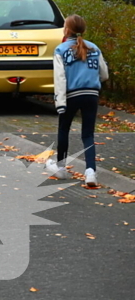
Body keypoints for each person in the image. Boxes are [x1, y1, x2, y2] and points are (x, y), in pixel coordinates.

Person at [46, 15, 109, 187]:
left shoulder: (60, 50)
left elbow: (60, 78)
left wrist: (60, 102)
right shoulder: (94, 48)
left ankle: (61, 168)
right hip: (91, 94)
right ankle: (90, 171)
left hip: (71, 94)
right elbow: (104, 74)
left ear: (66, 29)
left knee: (64, 129)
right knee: (88, 133)